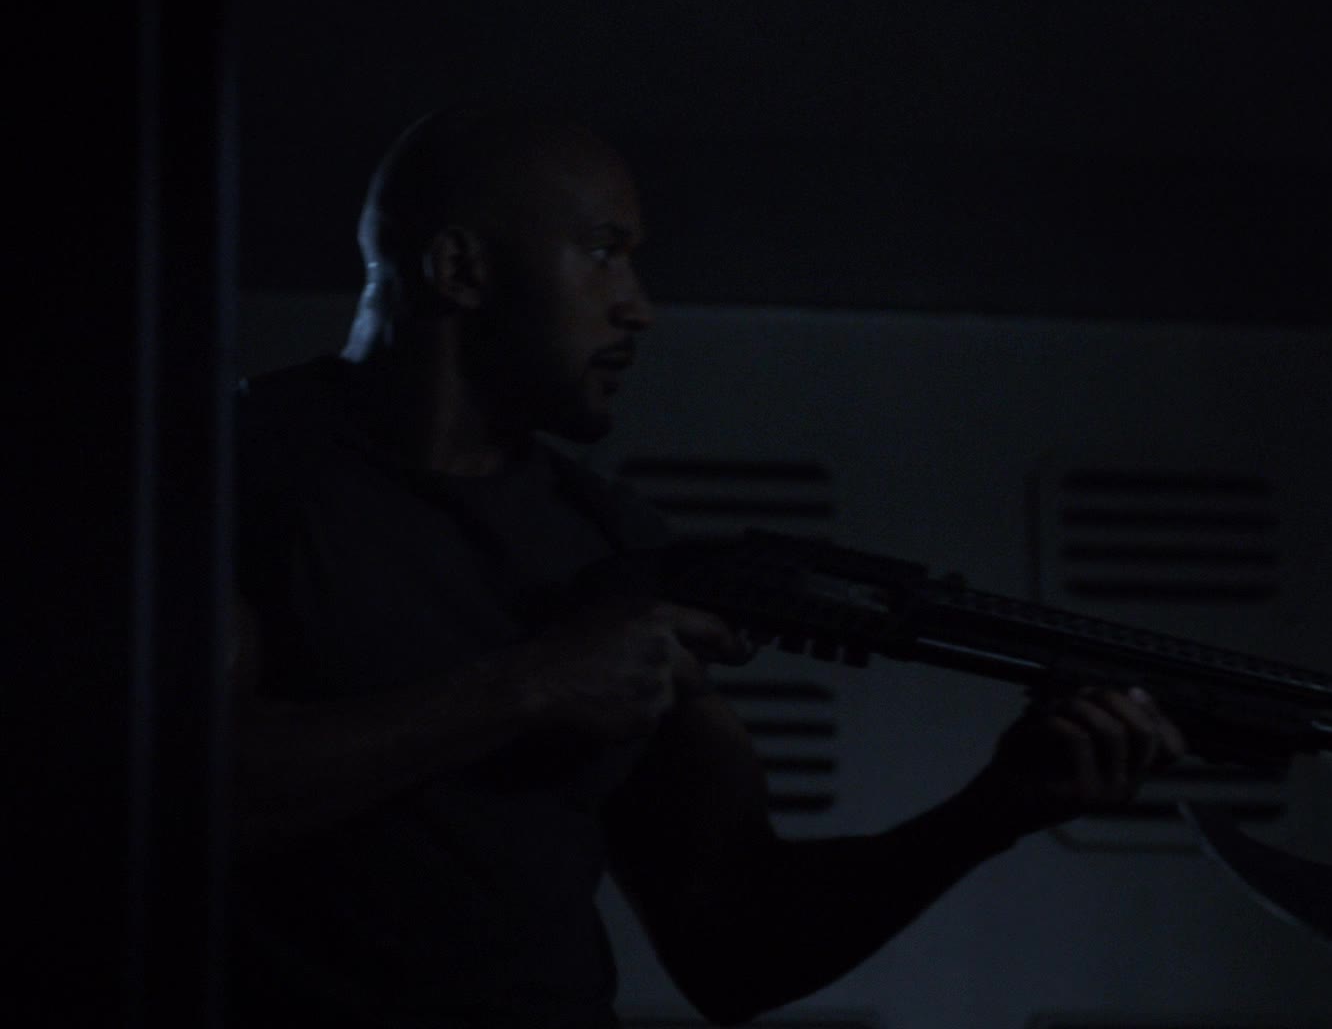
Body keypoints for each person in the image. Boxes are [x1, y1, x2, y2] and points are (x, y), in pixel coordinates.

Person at [228, 105, 1188, 1029]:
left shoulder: (613, 544)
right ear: (460, 267)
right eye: (603, 252)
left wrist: (995, 810)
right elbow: (172, 794)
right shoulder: (232, 473)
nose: (638, 307)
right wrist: (530, 686)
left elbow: (737, 949)